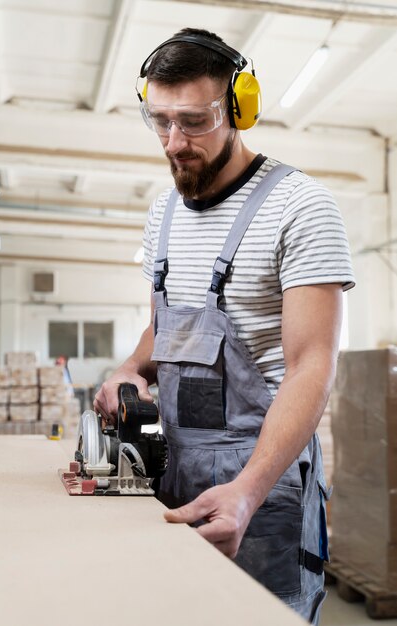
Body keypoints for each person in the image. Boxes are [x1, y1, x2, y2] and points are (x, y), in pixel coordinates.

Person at [94, 28, 355, 624]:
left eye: (193, 121)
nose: (173, 141)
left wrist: (249, 490)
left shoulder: (301, 207)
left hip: (261, 483)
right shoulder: (162, 213)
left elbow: (312, 367)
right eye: (158, 120)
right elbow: (165, 326)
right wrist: (132, 367)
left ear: (239, 107)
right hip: (173, 464)